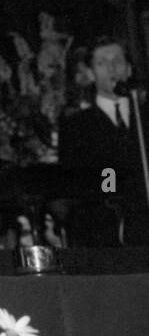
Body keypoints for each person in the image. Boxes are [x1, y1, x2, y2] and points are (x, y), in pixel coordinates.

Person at [58, 39, 149, 247]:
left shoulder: (143, 115)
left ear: (128, 69)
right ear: (91, 73)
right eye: (101, 63)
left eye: (117, 60)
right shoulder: (76, 125)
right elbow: (75, 179)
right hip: (106, 229)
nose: (111, 68)